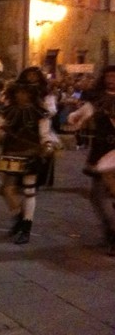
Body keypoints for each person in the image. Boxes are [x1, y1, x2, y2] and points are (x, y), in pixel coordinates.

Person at [0, 81, 58, 244]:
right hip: (10, 153)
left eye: (25, 92)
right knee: (7, 190)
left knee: (29, 191)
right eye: (18, 92)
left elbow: (45, 134)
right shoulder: (6, 110)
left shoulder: (39, 112)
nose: (21, 95)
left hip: (31, 155)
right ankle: (20, 218)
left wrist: (47, 145)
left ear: (31, 94)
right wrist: (2, 132)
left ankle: (26, 228)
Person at [68, 65, 115, 254]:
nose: (111, 79)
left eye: (114, 76)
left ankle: (113, 236)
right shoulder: (97, 99)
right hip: (102, 148)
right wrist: (75, 118)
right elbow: (81, 114)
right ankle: (110, 230)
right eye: (109, 76)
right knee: (97, 196)